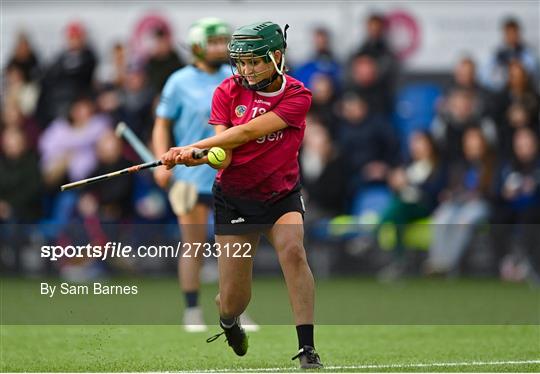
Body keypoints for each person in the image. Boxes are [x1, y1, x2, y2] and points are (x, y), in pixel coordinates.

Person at [160, 21, 323, 369]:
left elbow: (247, 131)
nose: (246, 71)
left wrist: (192, 146)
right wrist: (195, 158)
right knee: (233, 300)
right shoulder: (226, 92)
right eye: (242, 62)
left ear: (277, 57)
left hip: (281, 194)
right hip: (234, 197)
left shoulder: (298, 95)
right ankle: (229, 322)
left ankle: (307, 348)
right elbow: (228, 152)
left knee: (294, 252)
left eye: (255, 62)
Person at [152, 18, 257, 333]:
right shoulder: (178, 81)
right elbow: (161, 124)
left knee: (234, 249)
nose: (221, 47)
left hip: (228, 175)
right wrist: (162, 158)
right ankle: (192, 310)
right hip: (189, 178)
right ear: (197, 45)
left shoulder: (235, 77)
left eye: (224, 41)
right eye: (214, 41)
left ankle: (235, 310)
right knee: (193, 246)